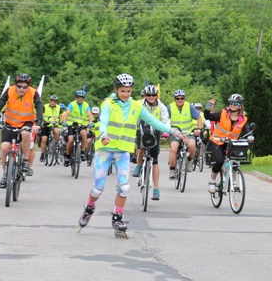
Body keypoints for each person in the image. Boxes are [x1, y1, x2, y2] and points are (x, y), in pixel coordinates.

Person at [78, 74, 185, 236]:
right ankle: (89, 208)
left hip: (122, 151)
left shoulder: (136, 106)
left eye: (128, 91)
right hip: (105, 150)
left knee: (125, 187)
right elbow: (104, 120)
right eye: (122, 91)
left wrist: (172, 131)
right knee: (98, 189)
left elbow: (153, 121)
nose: (126, 94)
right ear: (116, 90)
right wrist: (104, 134)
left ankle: (117, 217)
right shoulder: (108, 104)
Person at [0, 73, 44, 188]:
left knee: (25, 133)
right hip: (10, 122)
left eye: (25, 87)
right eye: (19, 86)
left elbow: (39, 107)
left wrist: (38, 123)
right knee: (4, 147)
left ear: (28, 86)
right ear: (16, 85)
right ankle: (5, 174)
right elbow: (0, 104)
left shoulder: (33, 93)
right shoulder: (9, 91)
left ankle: (25, 161)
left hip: (26, 122)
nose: (22, 89)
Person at [204, 94, 254, 193]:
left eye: (235, 103)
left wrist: (250, 136)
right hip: (217, 141)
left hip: (232, 143)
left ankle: (234, 183)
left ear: (240, 106)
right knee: (219, 161)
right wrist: (208, 107)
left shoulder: (243, 119)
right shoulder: (222, 113)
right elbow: (208, 116)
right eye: (230, 103)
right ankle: (212, 180)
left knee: (235, 162)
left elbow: (247, 130)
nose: (232, 105)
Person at [131, 84, 170, 200]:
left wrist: (166, 130)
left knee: (155, 161)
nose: (151, 97)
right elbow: (132, 116)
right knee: (141, 147)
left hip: (155, 132)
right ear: (145, 96)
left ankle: (156, 189)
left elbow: (166, 119)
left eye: (153, 95)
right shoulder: (139, 104)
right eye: (149, 95)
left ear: (157, 96)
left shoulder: (161, 106)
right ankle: (139, 165)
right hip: (141, 129)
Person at [167, 89, 202, 179]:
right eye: (177, 98)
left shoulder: (189, 106)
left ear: (184, 98)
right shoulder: (169, 107)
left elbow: (199, 118)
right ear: (174, 99)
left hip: (188, 133)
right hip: (175, 133)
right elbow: (165, 119)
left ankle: (190, 161)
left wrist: (198, 129)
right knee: (173, 149)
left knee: (192, 145)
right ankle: (172, 170)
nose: (180, 100)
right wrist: (165, 129)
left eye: (182, 98)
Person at [62, 89, 93, 166]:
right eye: (78, 97)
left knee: (84, 134)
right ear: (76, 98)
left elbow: (89, 115)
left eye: (82, 97)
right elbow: (66, 114)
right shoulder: (72, 104)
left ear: (84, 98)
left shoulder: (86, 105)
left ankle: (82, 152)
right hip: (71, 125)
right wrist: (64, 122)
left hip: (81, 125)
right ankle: (67, 155)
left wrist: (90, 123)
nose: (80, 99)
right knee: (71, 139)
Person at [40, 95, 62, 162]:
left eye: (54, 101)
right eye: (51, 100)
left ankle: (54, 144)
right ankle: (42, 154)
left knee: (57, 131)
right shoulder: (45, 106)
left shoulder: (59, 107)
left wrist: (60, 122)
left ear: (56, 102)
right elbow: (41, 114)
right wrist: (43, 121)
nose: (53, 102)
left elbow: (61, 116)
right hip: (46, 124)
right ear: (49, 101)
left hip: (54, 124)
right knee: (44, 139)